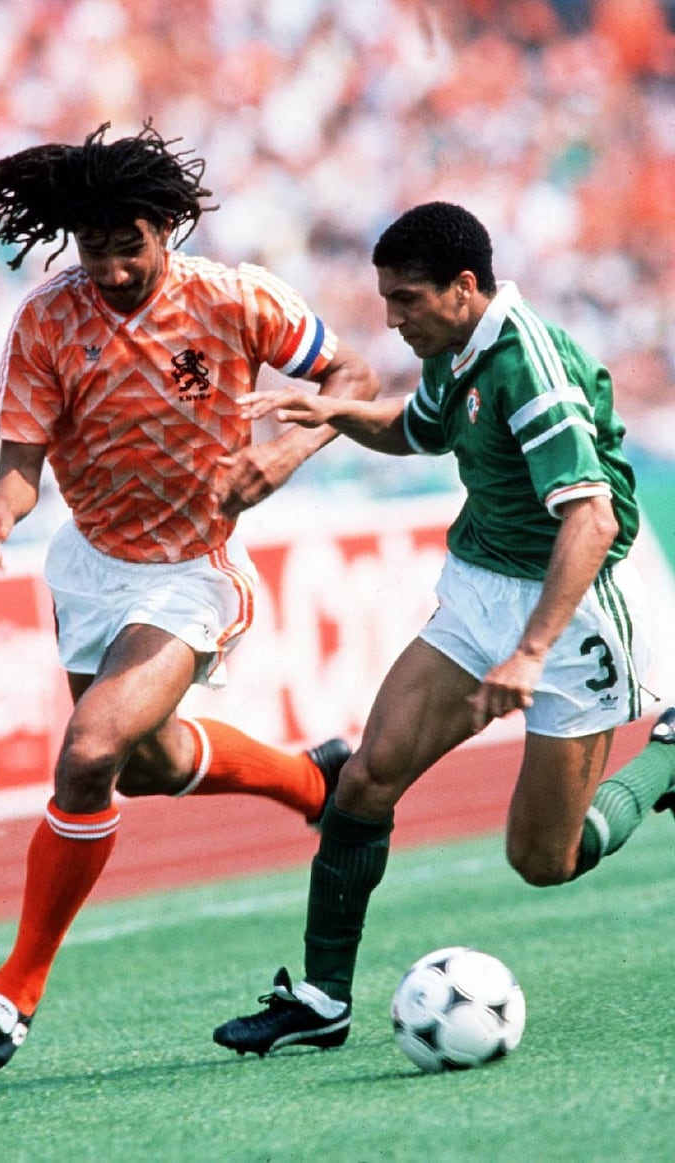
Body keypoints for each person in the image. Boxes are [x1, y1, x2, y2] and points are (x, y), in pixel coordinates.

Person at [0, 121, 379, 1075]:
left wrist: (288, 447)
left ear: (166, 226)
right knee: (142, 763)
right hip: (91, 564)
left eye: (127, 245)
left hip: (192, 569)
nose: (112, 268)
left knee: (89, 750)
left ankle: (13, 992)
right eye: (94, 248)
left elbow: (352, 375)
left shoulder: (235, 297)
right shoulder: (46, 319)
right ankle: (315, 780)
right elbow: (20, 465)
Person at [213, 200, 675, 1057]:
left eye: (407, 300)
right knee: (364, 779)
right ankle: (320, 999)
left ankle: (668, 756)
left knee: (544, 857)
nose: (392, 320)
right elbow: (420, 431)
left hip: (572, 617)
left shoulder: (528, 364)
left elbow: (593, 520)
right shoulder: (458, 346)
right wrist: (334, 415)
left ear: (464, 288)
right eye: (387, 300)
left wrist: (532, 650)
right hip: (477, 591)